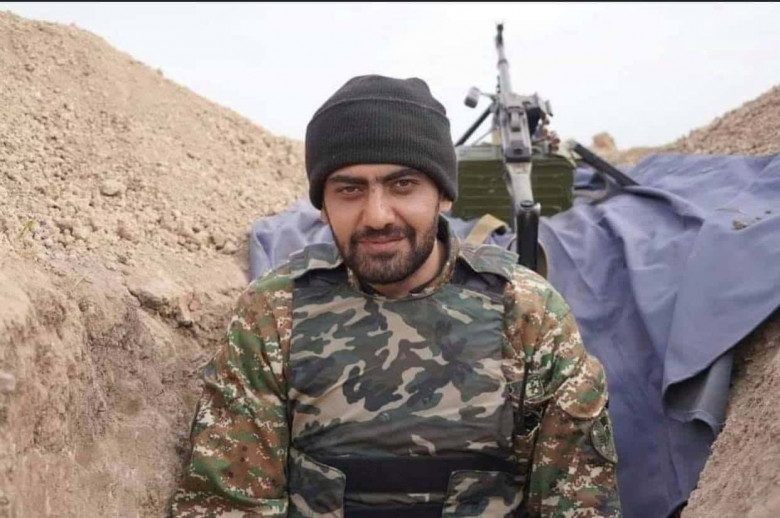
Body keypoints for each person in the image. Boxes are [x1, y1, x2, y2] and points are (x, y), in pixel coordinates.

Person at [170, 75, 621, 518]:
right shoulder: (274, 313)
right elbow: (229, 504)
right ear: (323, 206)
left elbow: (578, 504)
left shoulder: (526, 312)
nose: (377, 215)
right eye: (349, 190)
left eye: (403, 185)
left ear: (444, 195)